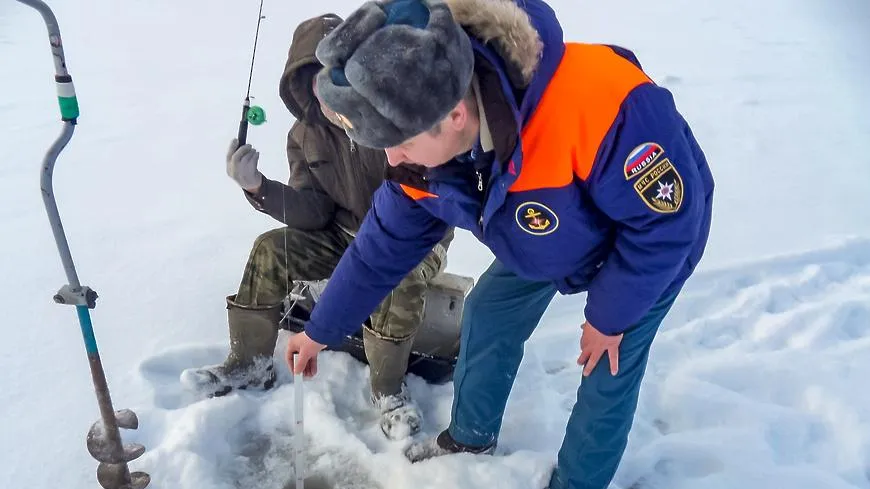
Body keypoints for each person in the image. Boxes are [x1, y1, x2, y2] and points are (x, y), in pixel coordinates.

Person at [286, 0, 715, 488]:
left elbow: (666, 225)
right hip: (549, 231)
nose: (392, 156)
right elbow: (376, 251)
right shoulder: (423, 153)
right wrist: (320, 329)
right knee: (489, 309)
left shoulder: (602, 105)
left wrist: (608, 318)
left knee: (606, 368)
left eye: (400, 142)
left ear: (454, 114)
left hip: (650, 244)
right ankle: (470, 437)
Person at [180, 12, 454, 440]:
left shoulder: (391, 111)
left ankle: (389, 391)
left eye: (334, 72)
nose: (324, 87)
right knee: (271, 248)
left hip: (414, 236)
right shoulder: (303, 135)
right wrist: (258, 187)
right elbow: (313, 212)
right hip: (343, 235)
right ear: (301, 82)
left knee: (399, 278)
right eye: (313, 76)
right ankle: (250, 364)